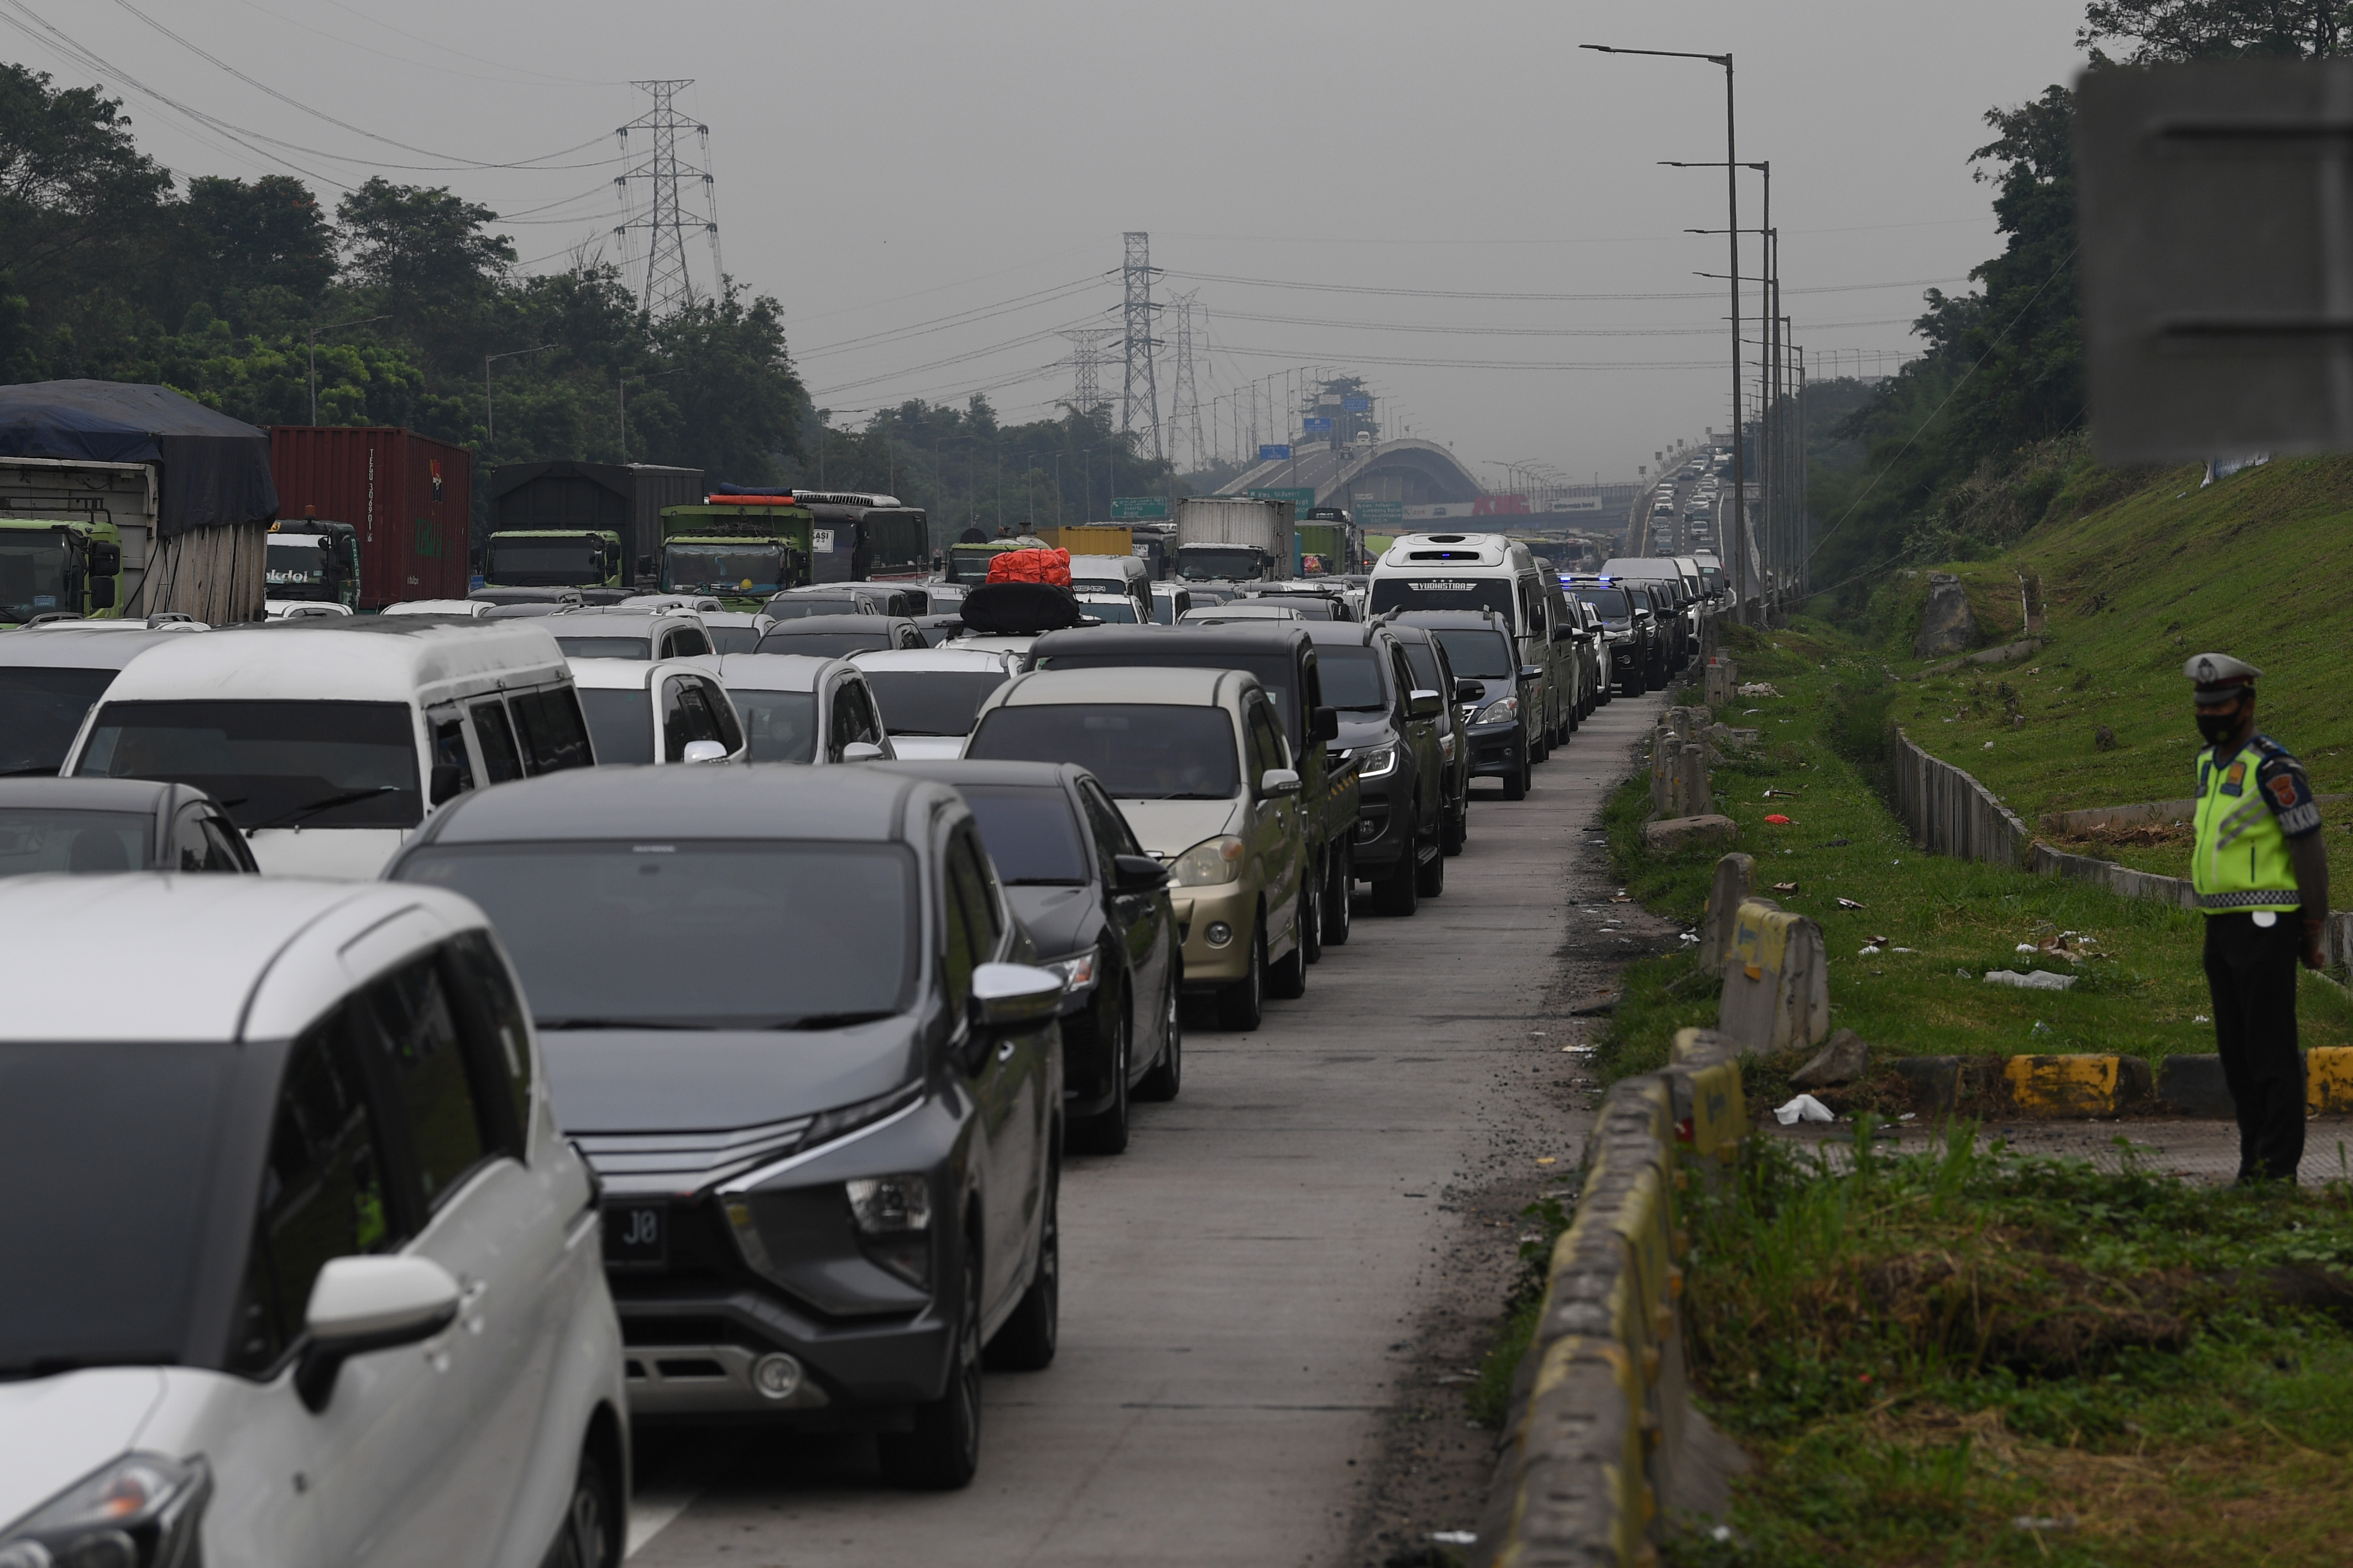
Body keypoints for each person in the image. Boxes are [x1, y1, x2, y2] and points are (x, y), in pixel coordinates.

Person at [2187, 653, 2330, 1182]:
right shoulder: (2208, 762)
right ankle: (2253, 1160)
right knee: (2237, 1053)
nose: (2211, 713)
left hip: (2269, 922)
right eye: (2204, 705)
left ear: (2247, 704)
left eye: (2222, 703)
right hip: (2220, 925)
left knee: (2269, 1051)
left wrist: (2314, 923)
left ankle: (2277, 1170)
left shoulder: (2276, 767)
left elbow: (2308, 849)